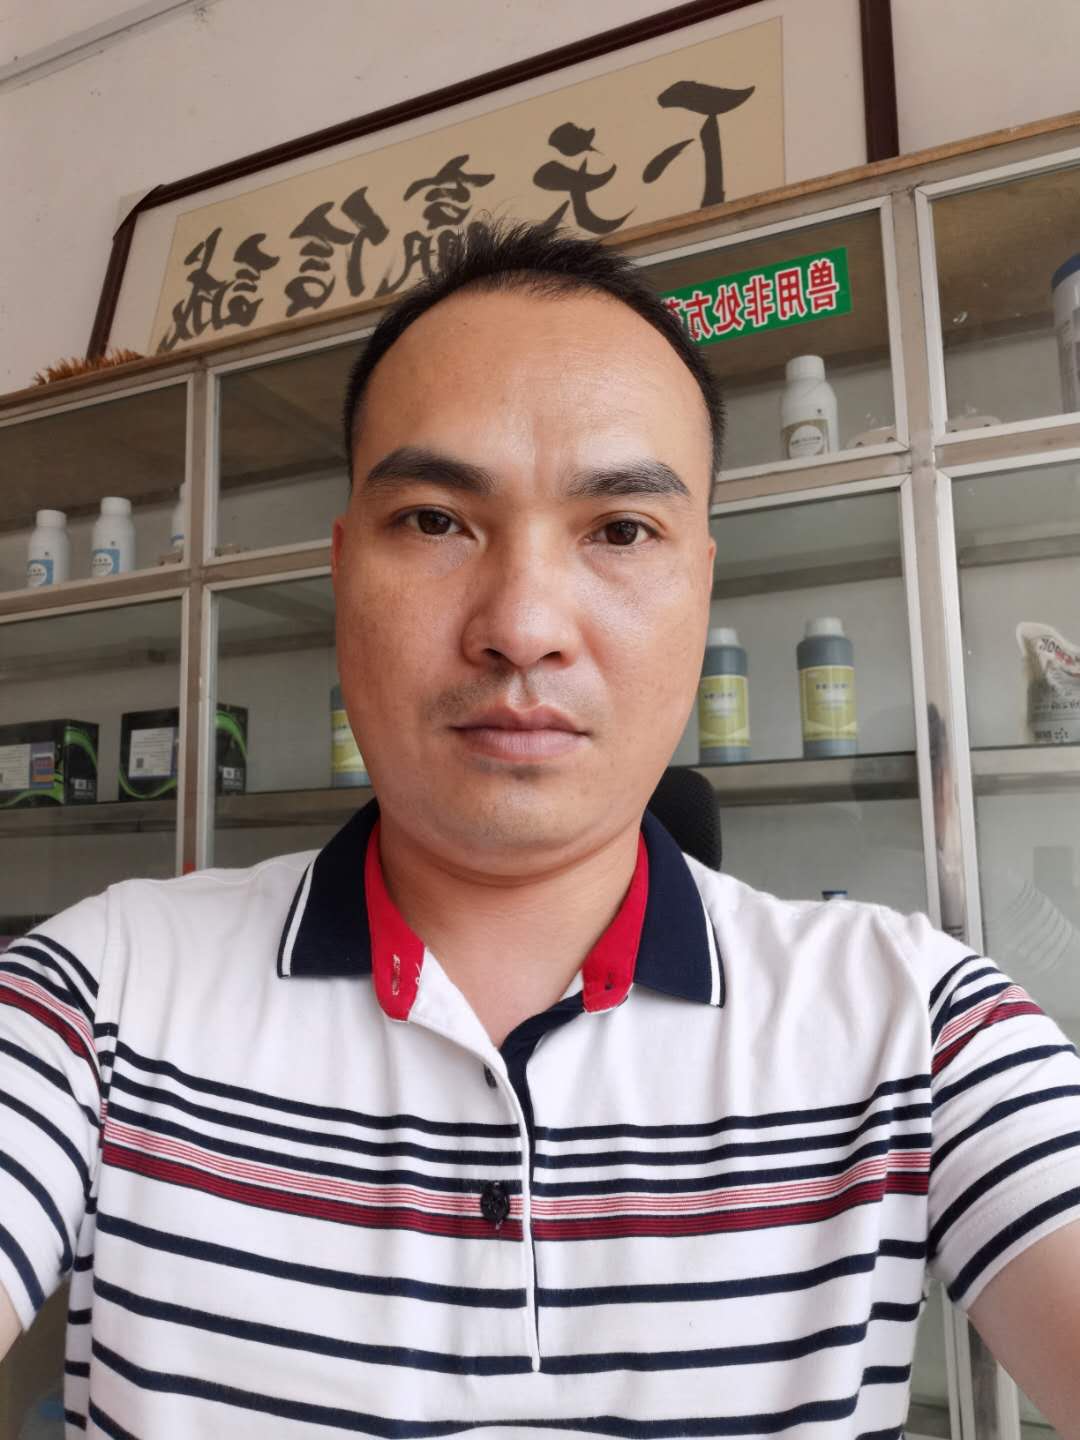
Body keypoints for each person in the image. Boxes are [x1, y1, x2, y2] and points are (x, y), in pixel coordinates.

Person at [2, 221, 1079, 1437]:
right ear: (343, 570)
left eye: (620, 530)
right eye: (434, 521)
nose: (522, 625)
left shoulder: (916, 1027)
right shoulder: (100, 995)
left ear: (700, 583)